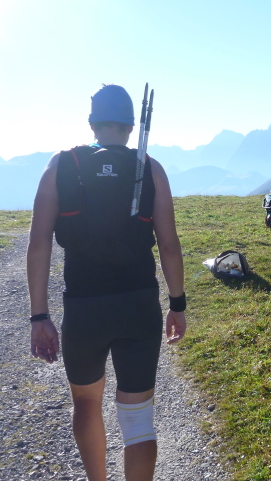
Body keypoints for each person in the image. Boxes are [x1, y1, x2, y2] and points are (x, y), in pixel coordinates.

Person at [27, 84, 187, 481]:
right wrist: (177, 304)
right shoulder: (150, 168)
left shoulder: (61, 165)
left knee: (85, 404)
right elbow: (169, 245)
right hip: (139, 305)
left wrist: (39, 316)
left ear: (92, 123)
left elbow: (38, 243)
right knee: (138, 417)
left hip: (84, 308)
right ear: (131, 126)